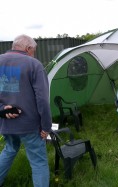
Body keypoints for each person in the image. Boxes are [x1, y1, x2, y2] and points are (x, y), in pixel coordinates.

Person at [0, 35, 52, 187]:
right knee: (38, 162)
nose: (33, 54)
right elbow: (42, 100)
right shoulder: (34, 64)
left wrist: (1, 110)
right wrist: (46, 126)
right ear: (28, 49)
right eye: (34, 51)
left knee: (9, 149)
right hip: (29, 125)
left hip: (6, 122)